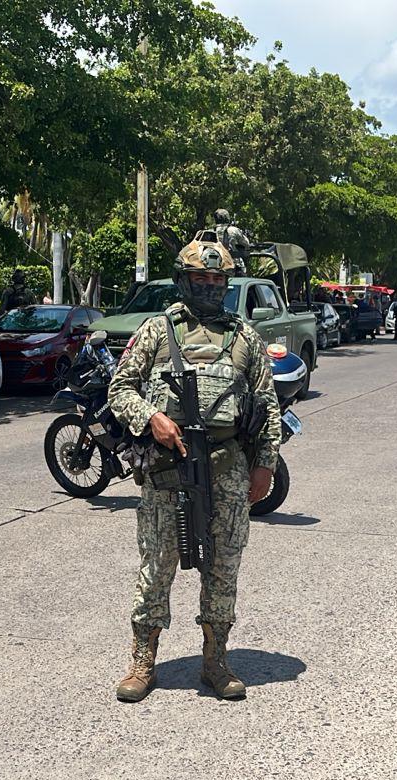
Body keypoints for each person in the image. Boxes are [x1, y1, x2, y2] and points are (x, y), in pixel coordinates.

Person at [106, 238, 280, 704]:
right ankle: (143, 661)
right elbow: (119, 389)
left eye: (216, 280)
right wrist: (152, 418)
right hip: (167, 467)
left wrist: (264, 465)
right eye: (200, 278)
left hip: (227, 468)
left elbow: (267, 404)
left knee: (223, 564)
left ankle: (215, 662)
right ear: (183, 281)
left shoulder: (245, 338)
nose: (208, 286)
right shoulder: (157, 331)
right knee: (157, 562)